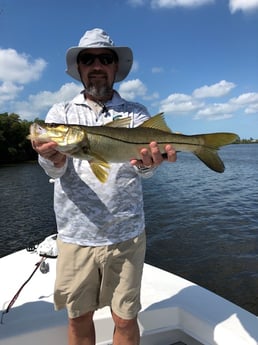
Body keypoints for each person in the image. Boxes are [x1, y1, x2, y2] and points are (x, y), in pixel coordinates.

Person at [31, 28, 176, 345]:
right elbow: (54, 172)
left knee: (125, 319)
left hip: (127, 236)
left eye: (105, 58)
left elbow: (144, 171)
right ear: (79, 68)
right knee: (78, 318)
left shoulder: (136, 113)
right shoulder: (61, 113)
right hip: (75, 235)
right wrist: (52, 158)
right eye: (88, 59)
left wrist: (149, 163)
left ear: (115, 67)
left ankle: (203, 146)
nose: (97, 65)